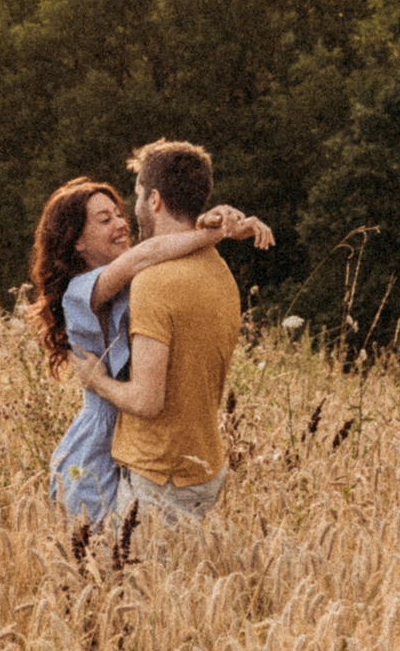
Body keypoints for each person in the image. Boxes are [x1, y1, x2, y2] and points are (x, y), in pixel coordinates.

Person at [29, 177, 268, 522]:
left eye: (118, 214)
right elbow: (148, 254)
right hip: (96, 449)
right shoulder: (81, 291)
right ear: (77, 241)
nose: (120, 223)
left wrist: (210, 219)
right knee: (101, 551)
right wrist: (219, 233)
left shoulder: (130, 279)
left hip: (136, 438)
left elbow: (164, 244)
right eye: (104, 220)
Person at [71, 139, 252, 521]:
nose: (129, 213)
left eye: (137, 196)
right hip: (203, 467)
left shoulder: (154, 283)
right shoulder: (220, 272)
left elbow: (147, 401)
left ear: (153, 200)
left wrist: (96, 381)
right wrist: (216, 229)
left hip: (158, 475)